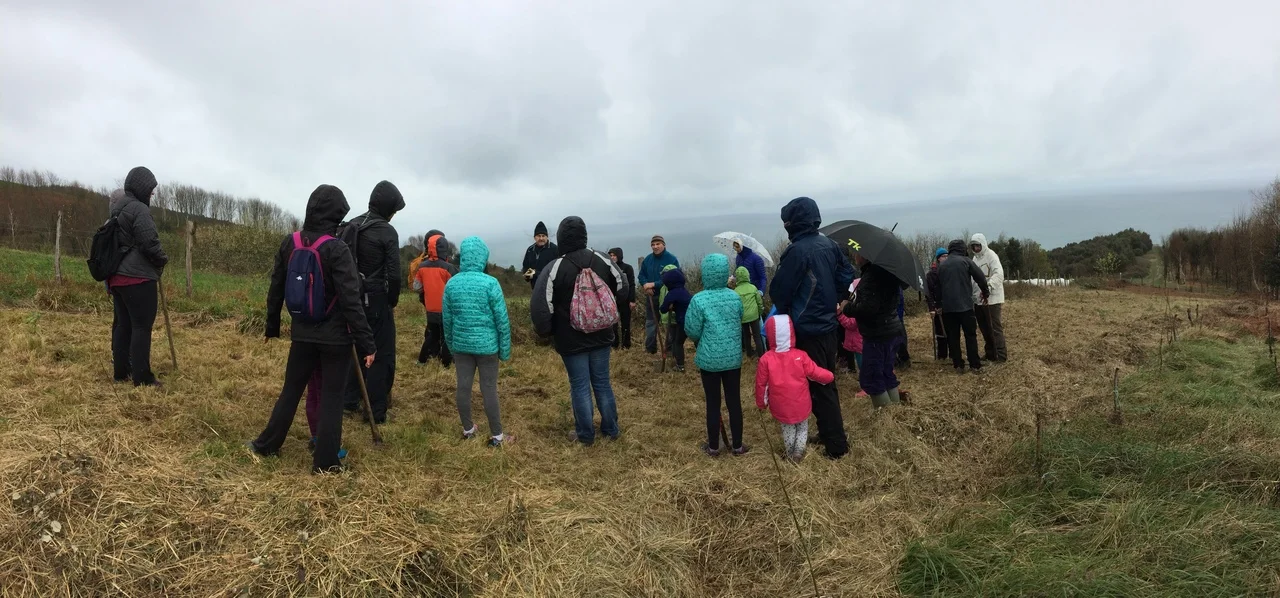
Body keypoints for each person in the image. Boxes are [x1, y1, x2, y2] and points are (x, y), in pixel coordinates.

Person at [251, 184, 376, 473]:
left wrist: (272, 326)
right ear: (336, 214)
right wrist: (367, 343)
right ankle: (326, 462)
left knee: (291, 390)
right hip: (336, 339)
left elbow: (276, 287)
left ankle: (266, 445)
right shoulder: (337, 248)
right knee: (332, 398)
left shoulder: (290, 243)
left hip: (302, 333)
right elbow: (351, 300)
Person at [768, 197, 854, 459]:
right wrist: (837, 299)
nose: (785, 226)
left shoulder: (797, 251)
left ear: (793, 222)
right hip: (828, 325)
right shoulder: (829, 244)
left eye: (786, 221)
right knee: (826, 380)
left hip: (807, 327)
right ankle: (828, 434)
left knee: (820, 386)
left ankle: (836, 446)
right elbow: (847, 275)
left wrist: (788, 310)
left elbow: (779, 292)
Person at [531, 216, 627, 446]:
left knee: (580, 385)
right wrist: (611, 309)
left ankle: (585, 435)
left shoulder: (555, 267)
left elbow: (540, 306)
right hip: (602, 334)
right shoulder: (602, 259)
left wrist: (547, 332)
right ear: (584, 234)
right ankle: (611, 429)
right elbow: (623, 287)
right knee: (602, 382)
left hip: (570, 339)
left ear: (561, 237)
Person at [339, 181, 405, 424]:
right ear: (388, 208)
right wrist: (391, 301)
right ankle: (375, 411)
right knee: (381, 355)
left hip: (350, 300)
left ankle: (348, 400)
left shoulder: (352, 225)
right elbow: (394, 275)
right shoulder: (387, 232)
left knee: (356, 347)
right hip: (376, 303)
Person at [443, 236, 513, 447]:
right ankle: (497, 437)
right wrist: (504, 350)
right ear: (483, 258)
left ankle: (468, 430)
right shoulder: (491, 283)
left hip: (461, 345)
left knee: (463, 387)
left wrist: (451, 345)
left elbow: (447, 320)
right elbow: (502, 320)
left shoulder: (452, 283)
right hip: (487, 347)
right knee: (489, 388)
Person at [108, 167, 167, 387]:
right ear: (142, 188)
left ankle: (121, 372)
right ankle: (142, 378)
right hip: (138, 279)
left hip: (117, 278)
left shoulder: (118, 208)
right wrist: (162, 259)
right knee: (142, 327)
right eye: (150, 190)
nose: (152, 194)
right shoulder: (139, 209)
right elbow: (149, 242)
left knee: (123, 325)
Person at [686, 253, 749, 457]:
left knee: (713, 403)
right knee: (734, 401)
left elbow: (692, 330)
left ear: (705, 273)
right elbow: (740, 318)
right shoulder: (734, 297)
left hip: (709, 360)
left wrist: (702, 339)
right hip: (732, 359)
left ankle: (714, 447)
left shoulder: (699, 300)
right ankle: (737, 445)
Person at [755, 314, 835, 462]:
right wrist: (829, 376)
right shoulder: (801, 355)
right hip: (801, 402)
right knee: (803, 427)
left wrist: (762, 402)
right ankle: (798, 451)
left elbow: (761, 384)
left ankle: (790, 451)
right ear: (792, 332)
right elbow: (815, 372)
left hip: (781, 405)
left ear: (770, 335)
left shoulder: (765, 359)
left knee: (788, 428)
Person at [843, 253, 908, 407]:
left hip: (877, 334)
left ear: (865, 256)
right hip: (891, 329)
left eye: (857, 253)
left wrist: (847, 307)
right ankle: (895, 409)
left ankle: (884, 414)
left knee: (872, 376)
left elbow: (868, 308)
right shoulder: (887, 272)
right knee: (886, 372)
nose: (855, 256)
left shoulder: (871, 277)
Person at [939, 239, 990, 373]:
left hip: (948, 308)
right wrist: (985, 292)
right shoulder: (966, 261)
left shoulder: (942, 265)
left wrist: (939, 303)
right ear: (963, 249)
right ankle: (974, 364)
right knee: (970, 336)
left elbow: (938, 287)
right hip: (965, 306)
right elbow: (980, 277)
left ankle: (958, 365)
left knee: (953, 337)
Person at [413, 233, 457, 366]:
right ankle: (446, 364)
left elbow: (416, 287)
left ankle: (421, 361)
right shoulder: (448, 268)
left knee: (432, 335)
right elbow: (456, 289)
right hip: (446, 310)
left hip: (430, 309)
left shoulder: (422, 267)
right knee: (446, 336)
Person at [638, 235, 680, 354]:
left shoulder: (671, 259)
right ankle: (650, 349)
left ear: (663, 245)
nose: (655, 247)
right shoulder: (648, 259)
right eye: (653, 244)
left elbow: (675, 277)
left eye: (658, 244)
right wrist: (645, 285)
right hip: (651, 296)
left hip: (667, 296)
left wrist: (654, 284)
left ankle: (670, 350)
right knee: (651, 323)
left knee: (669, 323)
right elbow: (641, 275)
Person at [969, 233, 1007, 362]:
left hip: (992, 299)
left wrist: (989, 287)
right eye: (974, 246)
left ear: (983, 244)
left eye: (978, 245)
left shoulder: (991, 256)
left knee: (994, 328)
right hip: (978, 300)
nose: (976, 248)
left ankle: (1000, 355)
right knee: (984, 329)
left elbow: (999, 274)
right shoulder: (974, 260)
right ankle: (990, 353)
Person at [658, 266, 692, 372]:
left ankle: (680, 366)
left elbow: (663, 309)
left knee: (678, 343)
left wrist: (669, 306)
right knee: (697, 342)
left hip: (683, 322)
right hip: (693, 320)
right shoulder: (685, 291)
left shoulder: (672, 293)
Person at [733, 266, 765, 358]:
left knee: (746, 335)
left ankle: (749, 354)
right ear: (747, 275)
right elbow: (759, 302)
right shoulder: (753, 288)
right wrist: (759, 313)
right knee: (757, 336)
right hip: (754, 315)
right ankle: (761, 355)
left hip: (743, 317)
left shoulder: (735, 291)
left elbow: (736, 306)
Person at [608, 247, 637, 350]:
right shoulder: (608, 268)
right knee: (613, 324)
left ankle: (626, 345)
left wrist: (632, 300)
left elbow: (632, 284)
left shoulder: (627, 268)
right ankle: (614, 344)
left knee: (625, 323)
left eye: (614, 255)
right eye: (610, 256)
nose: (612, 257)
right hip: (612, 299)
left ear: (619, 256)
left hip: (625, 299)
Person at [925, 247, 949, 360]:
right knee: (940, 331)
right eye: (943, 256)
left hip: (949, 305)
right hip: (938, 306)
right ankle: (942, 355)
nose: (946, 258)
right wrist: (932, 307)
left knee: (951, 330)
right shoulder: (931, 274)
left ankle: (953, 353)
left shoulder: (950, 271)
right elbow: (929, 292)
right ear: (939, 258)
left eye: (947, 256)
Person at [835, 281, 863, 374]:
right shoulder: (865, 305)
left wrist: (839, 313)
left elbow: (850, 324)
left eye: (851, 293)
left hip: (859, 344)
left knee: (862, 365)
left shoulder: (858, 309)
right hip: (860, 343)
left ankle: (865, 381)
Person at [522, 221, 558, 288]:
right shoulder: (530, 250)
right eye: (538, 236)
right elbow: (525, 267)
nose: (541, 238)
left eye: (543, 236)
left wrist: (536, 273)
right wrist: (527, 276)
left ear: (547, 237)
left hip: (550, 288)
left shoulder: (554, 249)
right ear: (534, 237)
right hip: (535, 288)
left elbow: (557, 270)